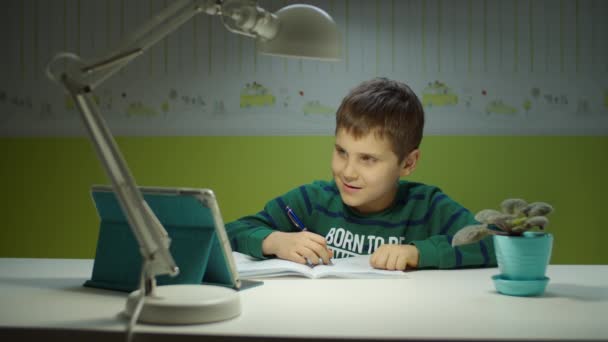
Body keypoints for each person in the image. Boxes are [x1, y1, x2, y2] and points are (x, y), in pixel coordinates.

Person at [226, 77, 496, 271]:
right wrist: (274, 240)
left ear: (408, 163)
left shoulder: (428, 206)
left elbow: (496, 243)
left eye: (367, 159)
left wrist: (417, 253)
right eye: (342, 152)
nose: (347, 172)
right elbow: (228, 232)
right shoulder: (311, 200)